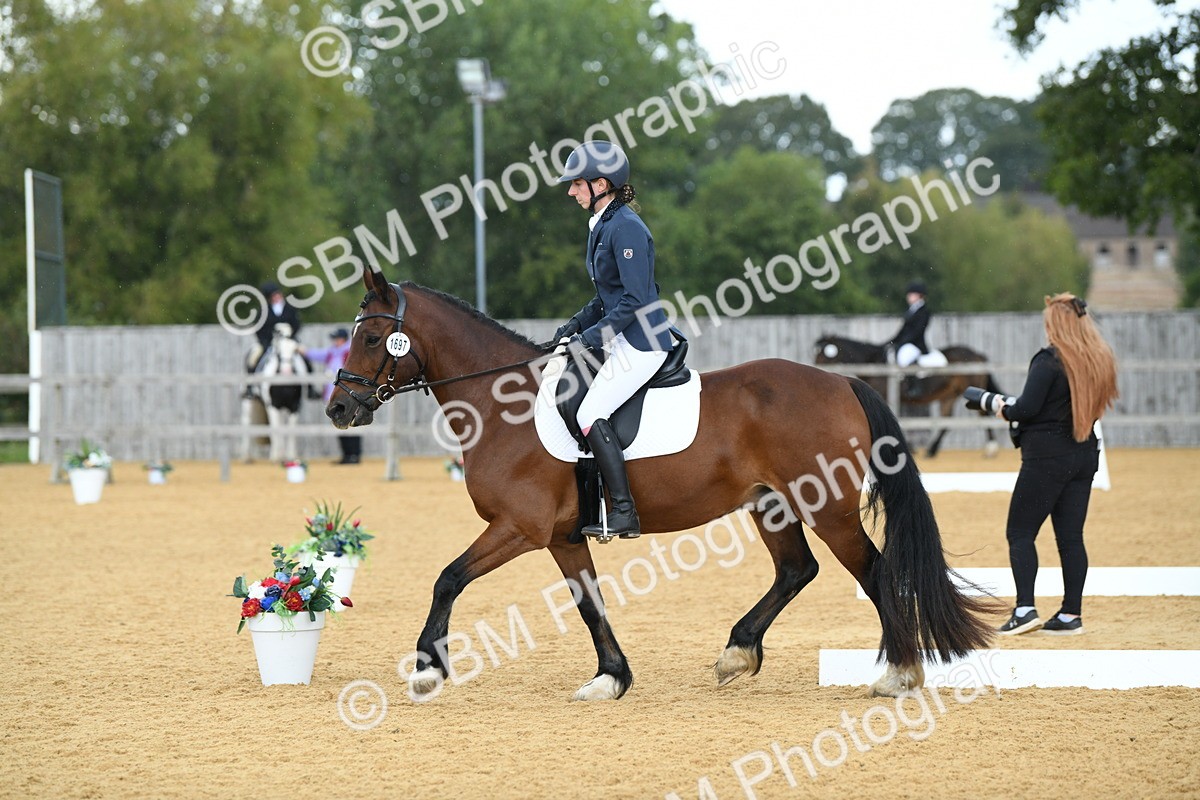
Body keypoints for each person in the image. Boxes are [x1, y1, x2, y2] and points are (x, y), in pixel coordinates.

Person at [552, 140, 674, 540]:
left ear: (600, 184)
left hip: (643, 341)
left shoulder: (626, 228)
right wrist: (575, 324)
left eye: (576, 184)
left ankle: (623, 512)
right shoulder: (605, 224)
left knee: (589, 413)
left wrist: (589, 339)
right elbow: (607, 295)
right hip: (624, 335)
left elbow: (637, 300)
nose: (571, 191)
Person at [994, 293, 1118, 636]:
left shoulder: (1049, 361)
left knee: (1019, 532)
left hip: (1046, 456)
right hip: (1084, 454)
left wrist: (1002, 408)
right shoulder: (1099, 359)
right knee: (1071, 538)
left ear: (1056, 324)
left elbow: (1027, 408)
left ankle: (1024, 609)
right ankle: (1070, 614)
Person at [301, 328, 362, 464]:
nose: (335, 341)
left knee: (351, 422)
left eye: (337, 338)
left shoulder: (348, 352)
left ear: (342, 339)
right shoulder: (334, 352)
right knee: (340, 423)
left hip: (347, 394)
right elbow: (316, 354)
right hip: (335, 395)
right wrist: (303, 350)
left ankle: (354, 454)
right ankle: (347, 455)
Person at [246, 281, 304, 373]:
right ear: (269, 298)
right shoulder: (263, 311)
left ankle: (310, 385)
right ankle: (250, 383)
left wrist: (290, 337)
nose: (276, 297)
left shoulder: (290, 309)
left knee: (305, 356)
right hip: (269, 342)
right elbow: (259, 328)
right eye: (273, 296)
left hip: (288, 341)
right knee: (253, 357)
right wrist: (266, 341)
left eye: (277, 294)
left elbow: (296, 325)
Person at [888, 281, 931, 368]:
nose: (908, 296)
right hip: (907, 344)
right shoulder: (910, 311)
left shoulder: (924, 312)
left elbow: (917, 331)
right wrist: (891, 342)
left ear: (919, 295)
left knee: (904, 360)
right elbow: (903, 330)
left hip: (916, 345)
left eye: (911, 294)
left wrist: (902, 342)